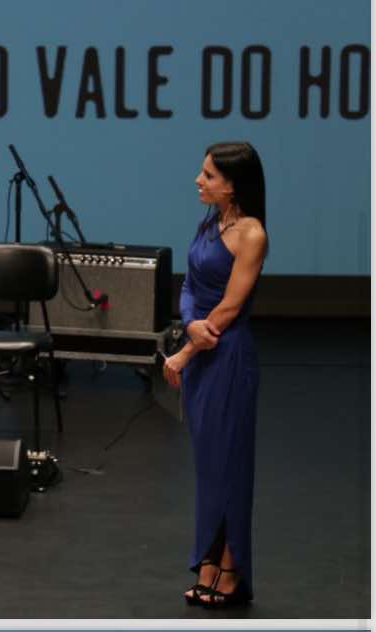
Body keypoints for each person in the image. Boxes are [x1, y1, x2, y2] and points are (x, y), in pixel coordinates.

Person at [163, 141, 268, 608]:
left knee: (230, 466)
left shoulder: (251, 234)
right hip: (203, 353)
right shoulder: (211, 222)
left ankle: (231, 568)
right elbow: (190, 285)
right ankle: (207, 559)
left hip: (227, 359)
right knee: (208, 467)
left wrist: (184, 354)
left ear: (233, 184)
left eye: (208, 175)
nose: (198, 180)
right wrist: (188, 323)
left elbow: (229, 307)